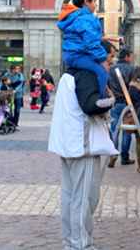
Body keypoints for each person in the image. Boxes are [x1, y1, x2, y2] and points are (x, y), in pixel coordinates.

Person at [49, 40, 116, 250]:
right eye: (109, 59)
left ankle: (71, 241)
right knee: (84, 198)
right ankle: (81, 244)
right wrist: (112, 100)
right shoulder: (86, 75)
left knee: (71, 197)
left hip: (70, 144)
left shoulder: (70, 73)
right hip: (82, 145)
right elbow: (91, 105)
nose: (110, 63)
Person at [57, 0, 108, 95]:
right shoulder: (85, 18)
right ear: (86, 1)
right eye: (94, 1)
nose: (96, 5)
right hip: (79, 55)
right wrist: (103, 59)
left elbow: (81, 36)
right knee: (102, 72)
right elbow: (91, 42)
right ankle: (99, 100)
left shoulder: (74, 17)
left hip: (72, 55)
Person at [107, 49, 134, 167]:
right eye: (131, 56)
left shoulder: (112, 69)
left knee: (114, 130)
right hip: (127, 102)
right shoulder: (132, 69)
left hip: (115, 103)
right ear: (127, 57)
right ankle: (125, 157)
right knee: (127, 131)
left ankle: (113, 153)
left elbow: (107, 84)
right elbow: (134, 87)